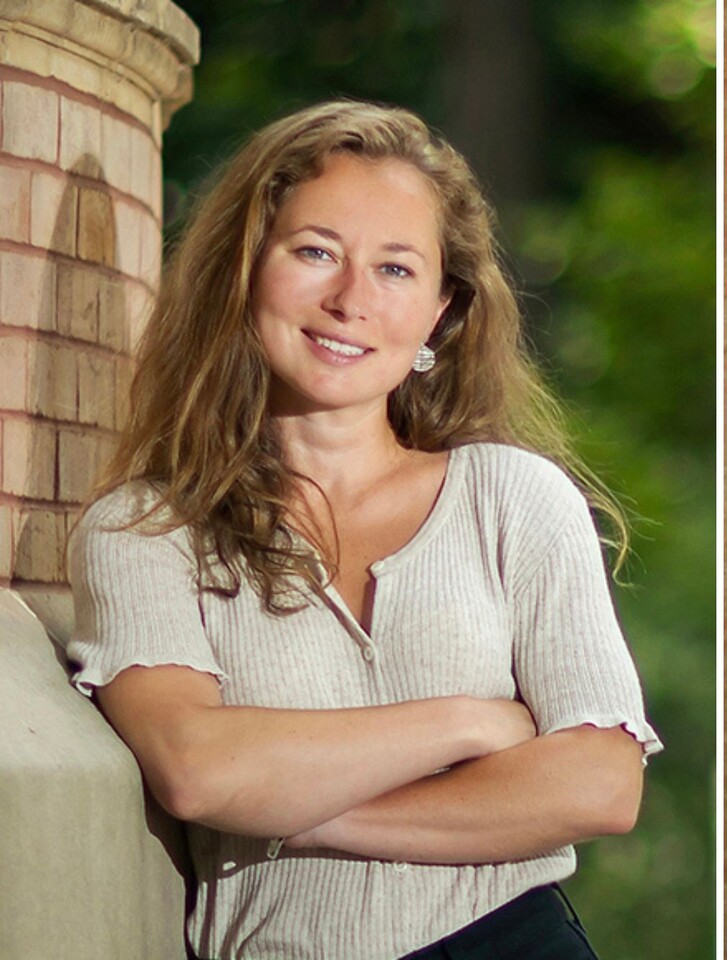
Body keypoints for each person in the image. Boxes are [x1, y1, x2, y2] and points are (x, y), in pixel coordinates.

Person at [66, 100, 661, 960]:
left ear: (441, 313)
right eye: (315, 253)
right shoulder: (145, 530)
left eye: (395, 270)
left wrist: (301, 817)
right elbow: (200, 770)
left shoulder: (515, 498)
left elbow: (600, 784)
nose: (350, 301)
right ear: (244, 270)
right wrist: (469, 722)